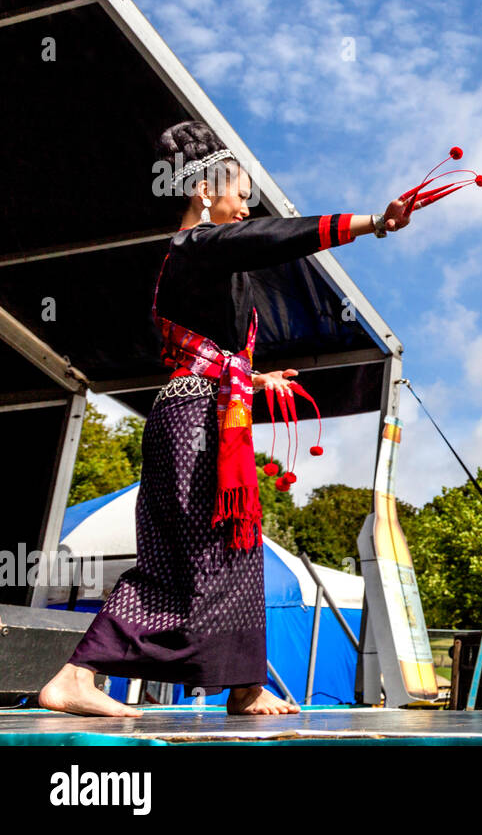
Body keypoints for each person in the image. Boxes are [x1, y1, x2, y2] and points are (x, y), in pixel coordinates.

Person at [38, 121, 415, 717]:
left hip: (196, 414)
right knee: (202, 555)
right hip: (194, 425)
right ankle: (78, 674)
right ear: (204, 190)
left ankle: (240, 686)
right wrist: (374, 222)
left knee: (225, 554)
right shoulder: (198, 246)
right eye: (240, 191)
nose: (247, 204)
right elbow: (274, 238)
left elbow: (205, 352)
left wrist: (253, 378)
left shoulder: (199, 262)